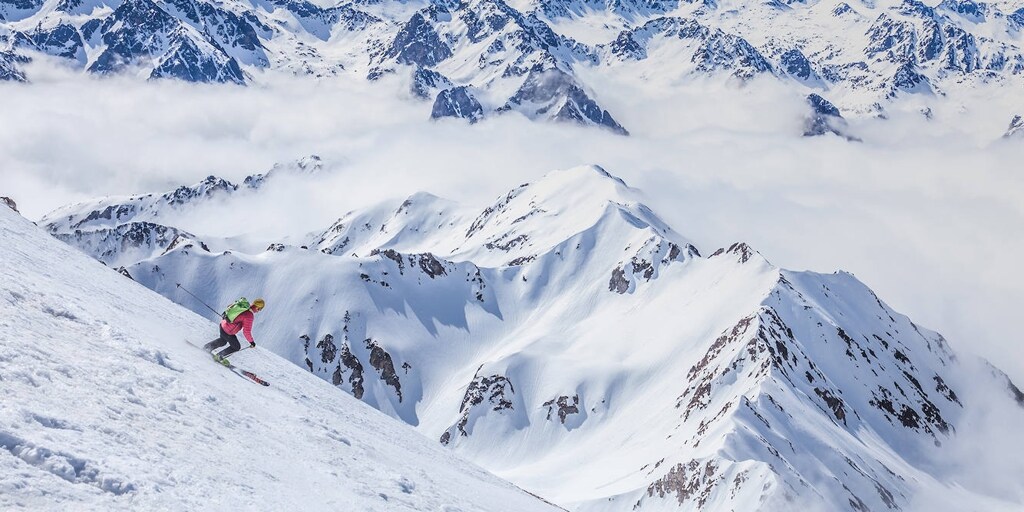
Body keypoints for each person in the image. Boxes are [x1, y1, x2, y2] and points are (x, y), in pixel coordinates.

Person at [204, 298, 265, 364]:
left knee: (223, 341)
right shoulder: (249, 316)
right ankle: (219, 356)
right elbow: (246, 331)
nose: (258, 311)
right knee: (236, 347)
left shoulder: (243, 306)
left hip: (223, 325)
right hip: (228, 331)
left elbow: (229, 307)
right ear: (257, 307)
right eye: (259, 309)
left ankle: (207, 348)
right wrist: (251, 342)